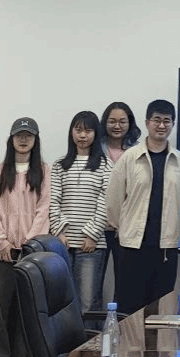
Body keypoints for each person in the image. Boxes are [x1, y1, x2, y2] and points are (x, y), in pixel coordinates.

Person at [106, 99, 180, 314]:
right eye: (156, 120)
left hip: (166, 247)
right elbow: (114, 200)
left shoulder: (179, 160)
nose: (161, 125)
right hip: (133, 246)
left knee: (161, 309)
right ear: (147, 123)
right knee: (129, 308)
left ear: (173, 124)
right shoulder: (130, 157)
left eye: (167, 121)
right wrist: (124, 226)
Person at [0, 117, 50, 357]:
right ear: (11, 139)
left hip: (31, 256)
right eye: (19, 135)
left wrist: (30, 245)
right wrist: (1, 243)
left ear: (35, 140)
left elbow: (44, 210)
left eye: (28, 135)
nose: (23, 139)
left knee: (27, 313)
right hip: (0, 254)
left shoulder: (44, 171)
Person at [51, 110, 112, 312]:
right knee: (62, 303)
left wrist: (92, 234)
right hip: (63, 243)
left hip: (92, 245)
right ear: (72, 132)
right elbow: (53, 200)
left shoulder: (105, 165)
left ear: (96, 134)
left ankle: (88, 335)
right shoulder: (59, 165)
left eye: (88, 131)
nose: (83, 135)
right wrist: (59, 232)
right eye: (78, 130)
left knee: (87, 303)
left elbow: (106, 202)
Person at [100, 101, 139, 284]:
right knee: (92, 282)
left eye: (122, 121)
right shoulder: (95, 149)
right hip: (97, 227)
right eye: (112, 121)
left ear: (130, 123)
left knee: (125, 280)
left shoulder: (138, 151)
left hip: (126, 226)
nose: (117, 126)